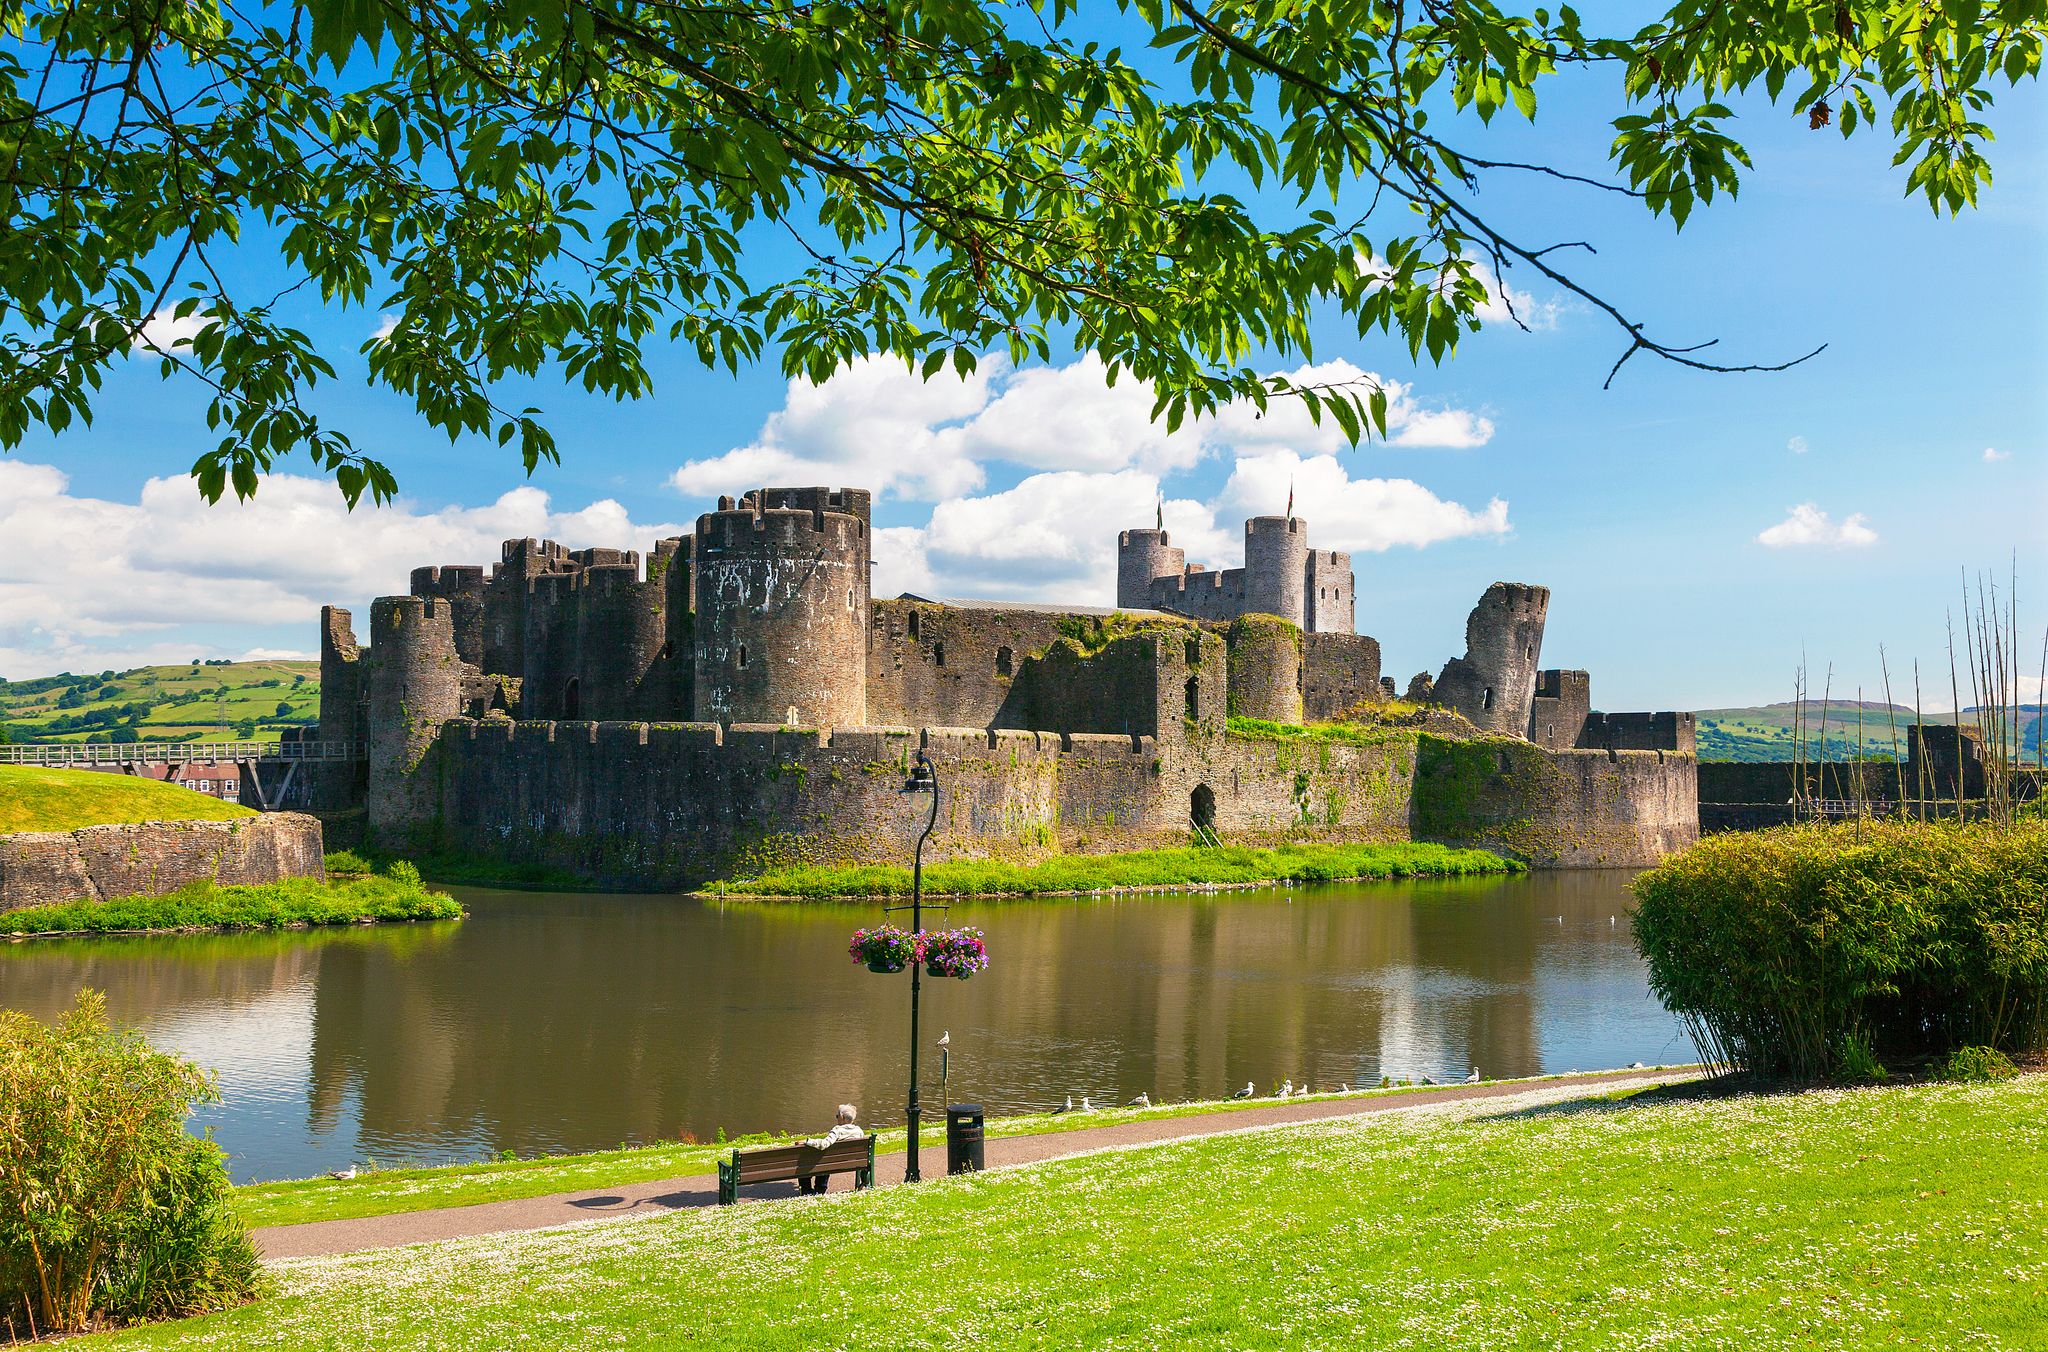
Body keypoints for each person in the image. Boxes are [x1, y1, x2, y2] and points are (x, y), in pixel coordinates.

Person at [798, 1104, 861, 1194]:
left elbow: (824, 1144)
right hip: (851, 1161)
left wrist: (807, 1141)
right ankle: (820, 1189)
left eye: (837, 1116)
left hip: (832, 1162)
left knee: (812, 1163)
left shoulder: (837, 1131)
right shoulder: (858, 1131)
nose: (837, 1118)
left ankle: (806, 1190)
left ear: (842, 1117)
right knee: (825, 1162)